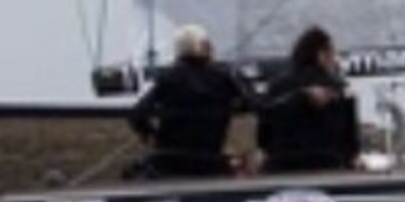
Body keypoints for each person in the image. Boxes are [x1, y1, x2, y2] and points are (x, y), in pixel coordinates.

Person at [126, 24, 253, 178]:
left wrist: (152, 135)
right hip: (209, 161)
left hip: (170, 163)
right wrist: (231, 106)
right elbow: (251, 101)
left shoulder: (169, 77)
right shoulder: (223, 76)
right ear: (205, 46)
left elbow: (137, 113)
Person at [255, 26, 362, 175]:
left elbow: (263, 137)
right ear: (321, 55)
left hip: (282, 170)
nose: (334, 60)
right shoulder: (339, 90)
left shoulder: (276, 87)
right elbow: (351, 144)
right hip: (329, 169)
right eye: (332, 54)